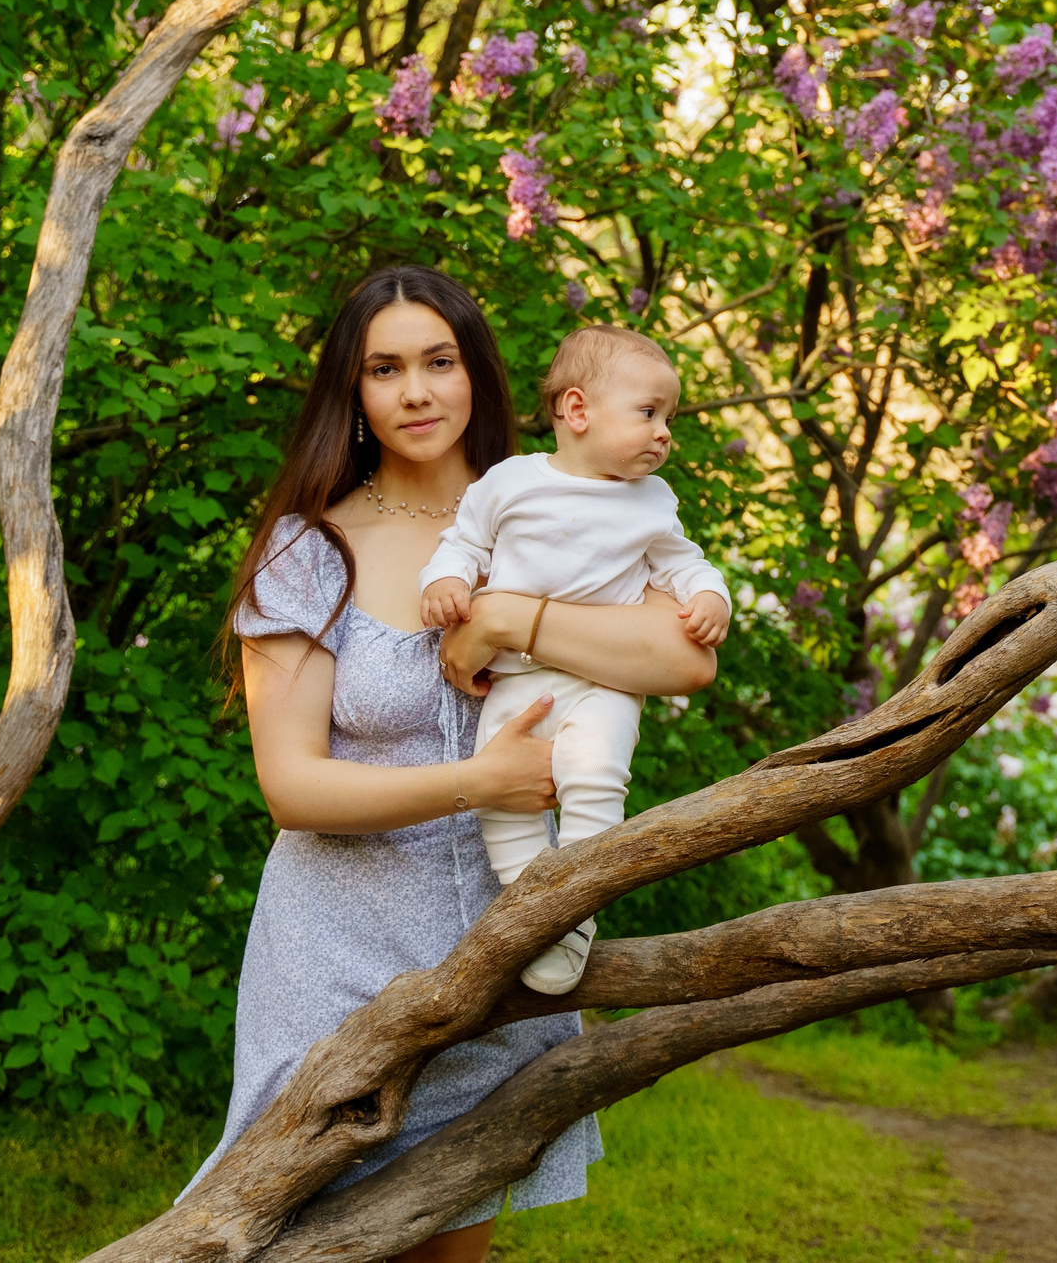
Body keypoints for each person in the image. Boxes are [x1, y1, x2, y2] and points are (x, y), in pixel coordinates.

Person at [186, 265, 716, 1263]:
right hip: (335, 955)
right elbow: (291, 787)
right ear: (352, 390)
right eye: (385, 369)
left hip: (497, 949)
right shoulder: (310, 548)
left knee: (445, 1246)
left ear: (477, 371)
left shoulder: (555, 502)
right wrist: (479, 782)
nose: (417, 391)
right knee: (292, 1236)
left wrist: (510, 615)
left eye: (439, 361)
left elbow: (684, 656)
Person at [420, 325, 732, 994]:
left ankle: (577, 906)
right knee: (501, 805)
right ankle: (535, 912)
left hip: (604, 684)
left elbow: (684, 564)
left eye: (668, 418)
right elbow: (463, 544)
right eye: (648, 412)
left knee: (595, 780)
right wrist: (445, 582)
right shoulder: (511, 482)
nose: (664, 433)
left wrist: (711, 597)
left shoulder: (652, 500)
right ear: (578, 409)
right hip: (517, 682)